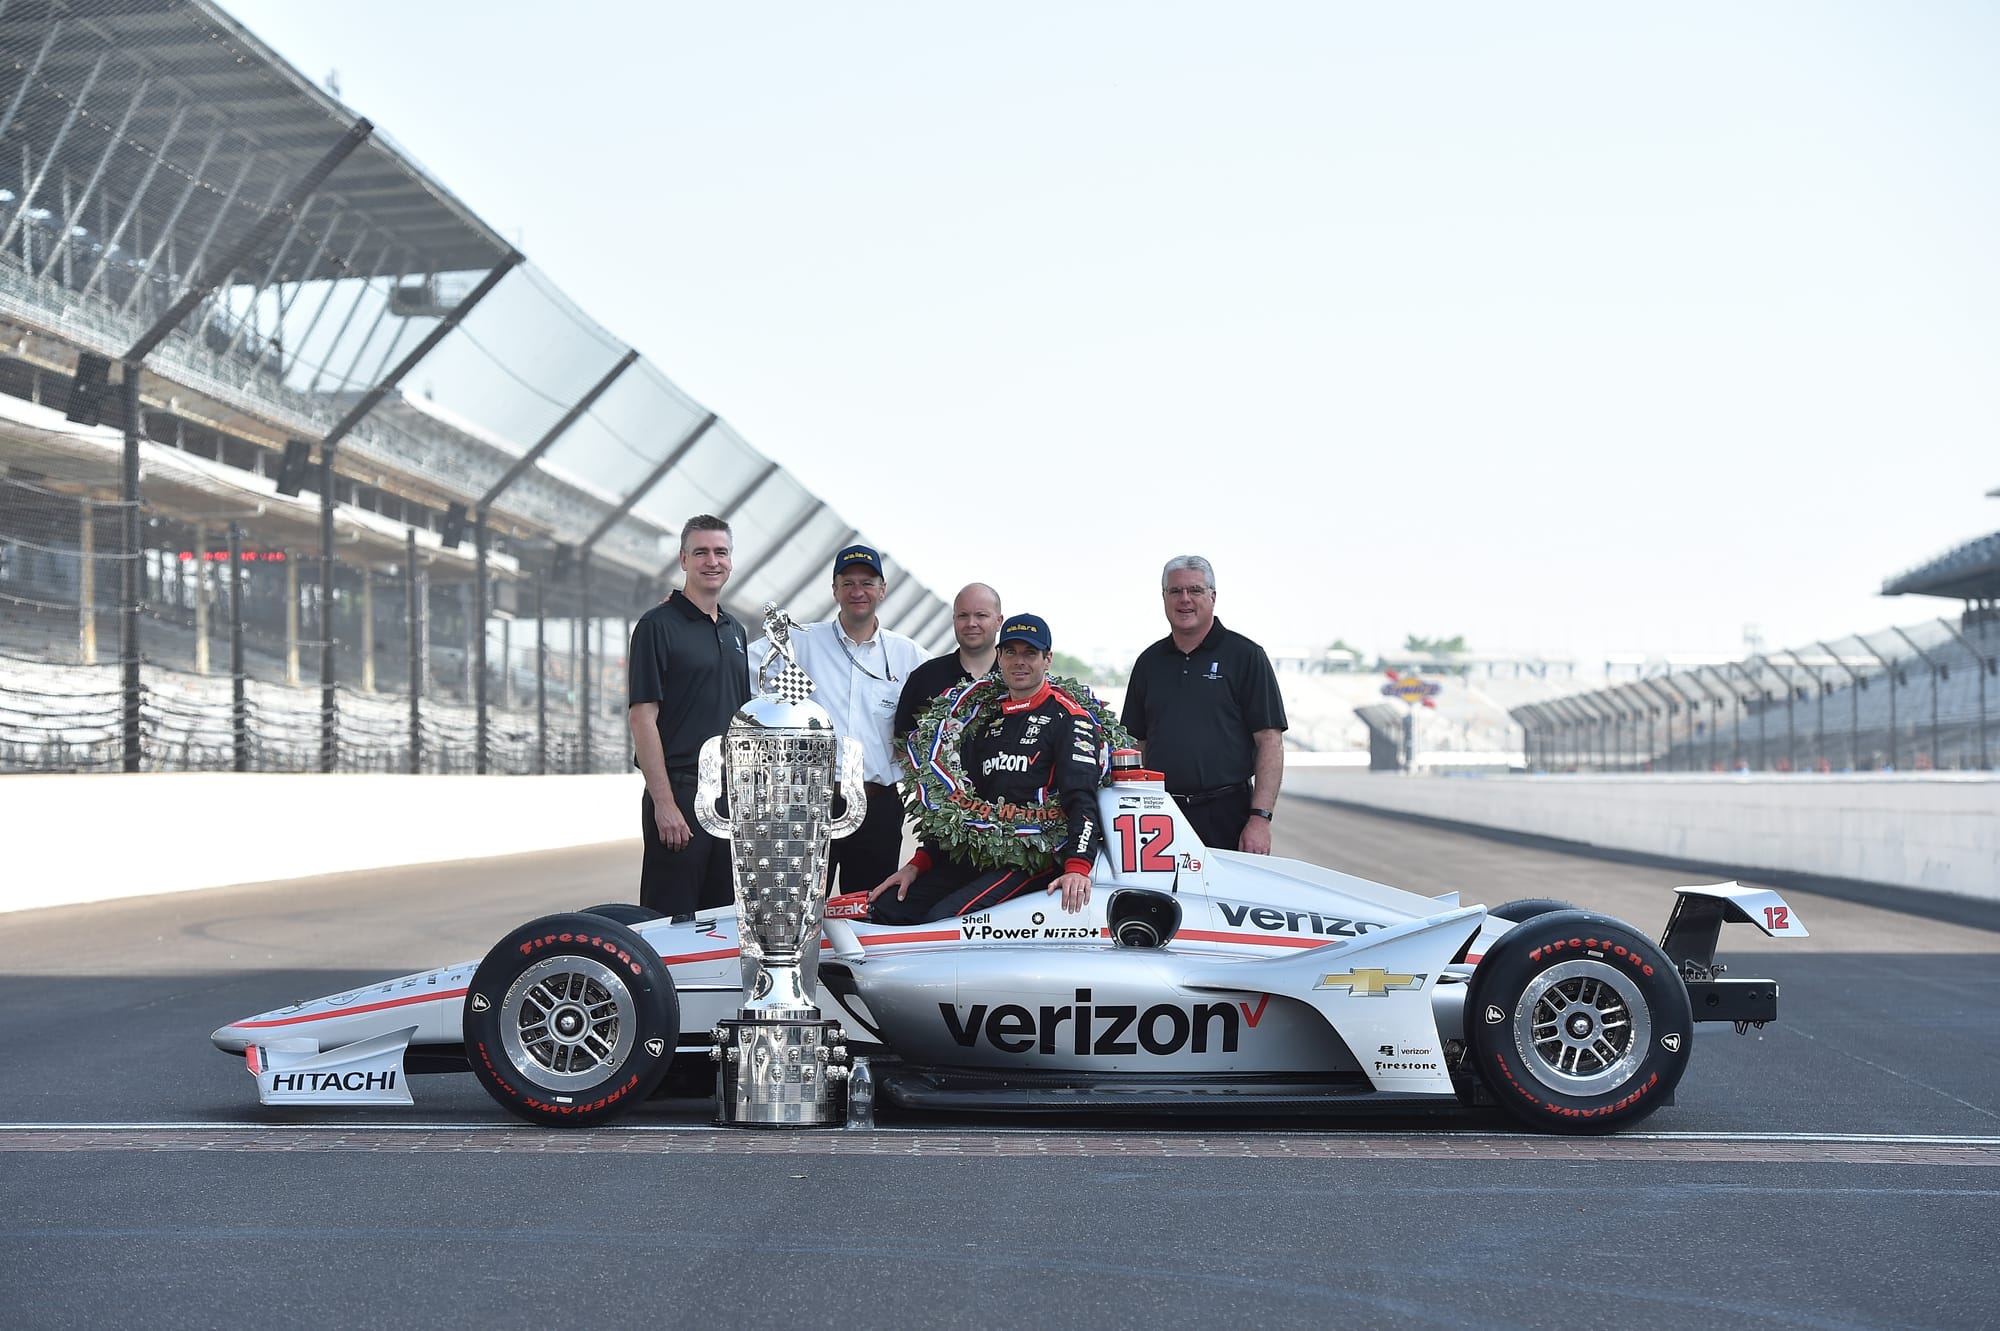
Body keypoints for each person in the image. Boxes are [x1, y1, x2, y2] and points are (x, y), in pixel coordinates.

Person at [870, 613, 1101, 924]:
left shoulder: (1069, 717)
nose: (1019, 662)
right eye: (1011, 652)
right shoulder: (982, 718)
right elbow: (960, 804)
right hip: (982, 851)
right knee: (887, 907)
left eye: (1030, 653)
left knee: (944, 919)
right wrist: (919, 863)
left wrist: (1077, 866)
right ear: (999, 657)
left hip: (1034, 857)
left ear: (1048, 659)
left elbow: (1083, 800)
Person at [752, 544, 926, 893]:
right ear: (834, 590)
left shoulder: (907, 656)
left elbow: (954, 692)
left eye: (867, 582)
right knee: (799, 909)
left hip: (878, 806)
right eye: (847, 583)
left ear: (882, 589)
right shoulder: (801, 643)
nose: (857, 592)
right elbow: (737, 662)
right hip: (807, 804)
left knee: (868, 912)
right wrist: (696, 611)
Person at [627, 515, 752, 916]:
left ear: (731, 561)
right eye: (701, 552)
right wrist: (664, 803)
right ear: (683, 559)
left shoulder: (736, 630)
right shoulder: (656, 626)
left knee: (723, 922)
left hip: (729, 799)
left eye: (721, 552)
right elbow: (642, 718)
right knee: (671, 922)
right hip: (681, 792)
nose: (711, 561)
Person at [1121, 555, 1287, 855]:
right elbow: (1136, 745)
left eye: (1195, 590)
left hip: (1228, 816)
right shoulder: (1148, 663)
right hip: (1161, 816)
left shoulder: (1246, 656)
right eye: (1175, 591)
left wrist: (1260, 819)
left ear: (1212, 596)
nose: (1185, 599)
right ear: (1164, 598)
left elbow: (1270, 742)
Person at [893, 582, 1003, 742]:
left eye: (981, 615)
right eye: (963, 615)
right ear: (954, 619)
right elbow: (901, 745)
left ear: (999, 621)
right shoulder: (924, 677)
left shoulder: (1016, 680)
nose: (971, 623)